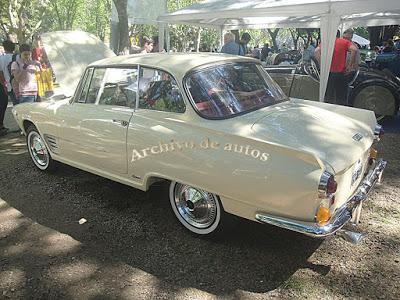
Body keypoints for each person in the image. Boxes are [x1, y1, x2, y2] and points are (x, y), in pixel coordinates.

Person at [314, 30, 358, 106]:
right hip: (341, 73)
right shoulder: (344, 42)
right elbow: (354, 49)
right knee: (341, 99)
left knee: (328, 98)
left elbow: (316, 51)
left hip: (329, 74)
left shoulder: (326, 43)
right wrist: (349, 65)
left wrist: (322, 64)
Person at [0, 40, 18, 106]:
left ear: (4, 48)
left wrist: (4, 86)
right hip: (20, 85)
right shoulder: (18, 57)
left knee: (16, 104)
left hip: (10, 85)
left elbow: (1, 74)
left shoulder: (1, 59)